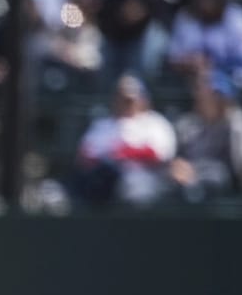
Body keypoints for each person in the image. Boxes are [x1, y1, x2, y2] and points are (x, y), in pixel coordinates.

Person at [72, 73, 178, 206]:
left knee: (135, 188)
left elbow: (162, 154)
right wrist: (111, 157)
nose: (126, 103)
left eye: (131, 100)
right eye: (122, 99)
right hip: (106, 182)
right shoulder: (103, 125)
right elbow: (85, 155)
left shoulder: (155, 123)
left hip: (146, 178)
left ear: (143, 99)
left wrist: (126, 153)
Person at [171, 68, 242, 201]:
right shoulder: (186, 123)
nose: (202, 96)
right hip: (187, 177)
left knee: (216, 175)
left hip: (218, 181)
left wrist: (232, 118)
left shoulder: (237, 124)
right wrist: (180, 168)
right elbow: (177, 159)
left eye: (216, 95)